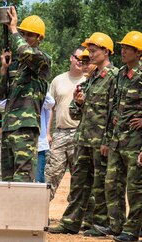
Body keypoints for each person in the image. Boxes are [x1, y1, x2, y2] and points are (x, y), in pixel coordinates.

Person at [49, 32, 118, 237]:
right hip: (83, 139)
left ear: (106, 51)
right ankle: (71, 222)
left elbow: (116, 111)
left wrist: (107, 140)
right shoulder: (91, 78)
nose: (90, 53)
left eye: (94, 50)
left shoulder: (113, 77)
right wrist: (78, 103)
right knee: (78, 183)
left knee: (100, 184)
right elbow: (75, 111)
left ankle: (98, 224)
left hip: (100, 142)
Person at [93, 31, 142, 242]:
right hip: (117, 141)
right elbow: (114, 110)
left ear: (138, 52)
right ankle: (116, 225)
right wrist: (107, 140)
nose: (123, 51)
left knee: (135, 188)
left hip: (136, 143)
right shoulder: (121, 74)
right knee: (111, 184)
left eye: (127, 48)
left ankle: (132, 230)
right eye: (122, 47)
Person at [0, 6, 52, 182]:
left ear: (39, 38)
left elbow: (25, 51)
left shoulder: (42, 59)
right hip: (9, 127)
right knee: (8, 179)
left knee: (23, 178)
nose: (26, 38)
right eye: (23, 33)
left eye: (30, 35)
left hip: (26, 127)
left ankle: (22, 210)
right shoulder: (15, 63)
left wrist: (13, 29)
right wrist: (4, 69)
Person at [44, 47, 85, 198]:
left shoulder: (89, 80)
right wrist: (47, 133)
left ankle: (74, 219)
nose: (79, 62)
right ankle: (40, 213)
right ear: (70, 58)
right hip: (60, 134)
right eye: (77, 58)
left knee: (79, 179)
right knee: (51, 174)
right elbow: (50, 109)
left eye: (83, 59)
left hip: (80, 134)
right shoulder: (58, 80)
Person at [35, 92, 54, 183]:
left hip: (39, 142)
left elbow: (51, 102)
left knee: (39, 176)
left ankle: (39, 197)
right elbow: (1, 103)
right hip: (19, 142)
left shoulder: (41, 92)